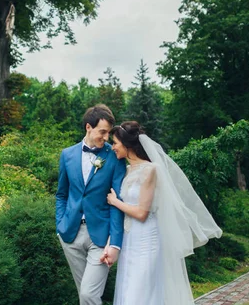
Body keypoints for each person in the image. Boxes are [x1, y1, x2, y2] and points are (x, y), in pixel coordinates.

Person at [101, 121, 222, 304]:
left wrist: (115, 202)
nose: (113, 147)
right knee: (128, 289)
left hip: (146, 240)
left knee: (140, 292)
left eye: (116, 143)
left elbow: (142, 212)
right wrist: (111, 243)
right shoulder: (125, 171)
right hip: (130, 240)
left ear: (127, 144)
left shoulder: (150, 170)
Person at [56, 104, 127, 305]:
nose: (106, 138)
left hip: (101, 237)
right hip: (70, 234)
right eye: (102, 132)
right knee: (84, 295)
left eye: (108, 133)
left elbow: (117, 201)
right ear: (89, 127)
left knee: (88, 295)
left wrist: (114, 242)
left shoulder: (114, 156)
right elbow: (61, 194)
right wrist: (59, 226)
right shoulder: (67, 155)